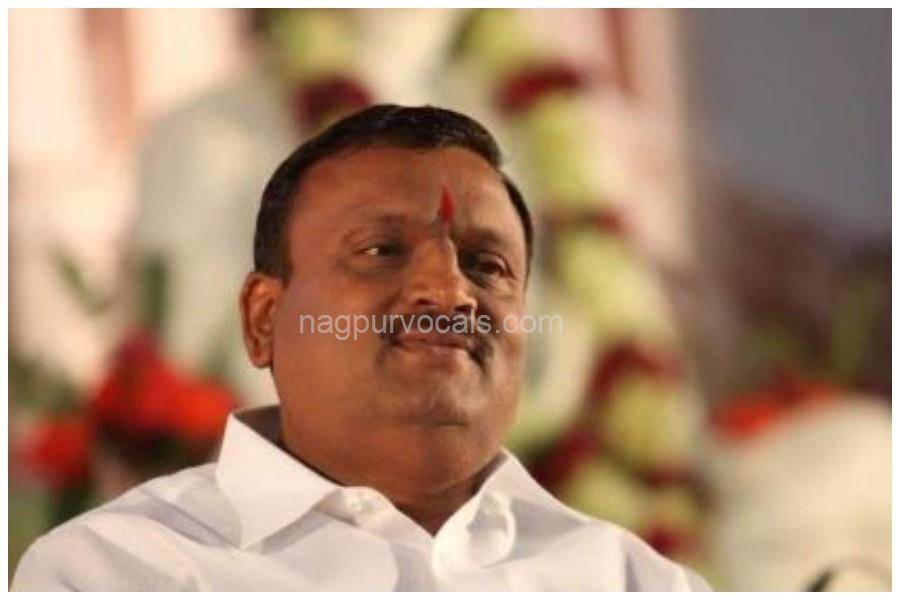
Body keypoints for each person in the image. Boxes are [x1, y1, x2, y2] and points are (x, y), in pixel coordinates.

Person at [12, 105, 710, 591]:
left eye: (487, 265)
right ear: (263, 319)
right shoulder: (120, 571)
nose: (451, 291)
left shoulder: (635, 582)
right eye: (381, 251)